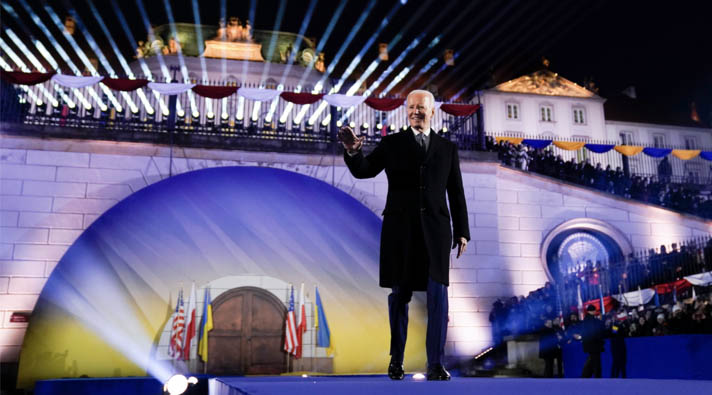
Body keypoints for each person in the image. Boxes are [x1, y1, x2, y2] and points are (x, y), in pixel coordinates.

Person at [339, 90, 470, 381]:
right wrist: (353, 151)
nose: (415, 112)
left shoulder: (447, 148)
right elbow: (364, 171)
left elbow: (456, 192)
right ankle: (395, 361)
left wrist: (462, 231)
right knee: (399, 297)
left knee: (439, 297)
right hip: (401, 231)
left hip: (435, 232)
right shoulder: (392, 143)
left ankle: (435, 364)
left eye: (421, 108)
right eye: (411, 107)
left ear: (432, 111)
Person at [576, 304, 605, 378]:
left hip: (590, 345)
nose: (596, 312)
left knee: (591, 362)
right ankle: (597, 378)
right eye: (595, 310)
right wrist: (601, 321)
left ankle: (585, 377)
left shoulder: (586, 320)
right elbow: (596, 331)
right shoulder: (592, 320)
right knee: (596, 364)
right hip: (594, 345)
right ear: (592, 311)